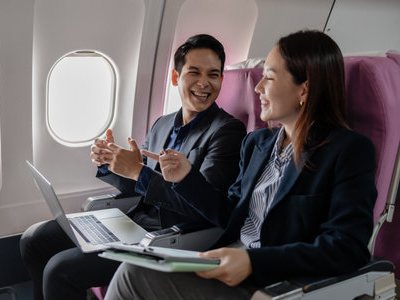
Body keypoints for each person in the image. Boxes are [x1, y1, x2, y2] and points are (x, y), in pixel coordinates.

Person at [104, 30, 378, 300]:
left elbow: (347, 247)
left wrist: (253, 261)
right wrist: (186, 178)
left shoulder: (348, 150)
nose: (258, 88)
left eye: (269, 78)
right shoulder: (257, 144)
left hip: (275, 282)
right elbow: (229, 214)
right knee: (136, 266)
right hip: (226, 264)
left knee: (132, 275)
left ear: (303, 89)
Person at [20, 34, 247, 300]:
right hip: (133, 221)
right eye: (194, 72)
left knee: (60, 270)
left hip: (169, 236)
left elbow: (207, 209)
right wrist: (112, 165)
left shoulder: (227, 131)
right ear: (176, 77)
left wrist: (140, 172)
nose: (204, 83)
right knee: (33, 239)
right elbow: (141, 190)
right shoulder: (162, 123)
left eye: (213, 74)